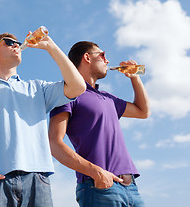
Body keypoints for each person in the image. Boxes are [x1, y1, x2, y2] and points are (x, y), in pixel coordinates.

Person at [0, 32, 86, 207]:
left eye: (17, 42)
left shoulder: (38, 88)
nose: (16, 45)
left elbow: (78, 87)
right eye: (9, 42)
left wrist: (50, 46)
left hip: (37, 180)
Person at [49, 41, 150, 207]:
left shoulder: (108, 97)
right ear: (87, 58)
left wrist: (135, 78)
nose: (107, 60)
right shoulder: (67, 94)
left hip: (131, 188)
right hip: (99, 187)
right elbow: (55, 143)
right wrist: (97, 173)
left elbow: (143, 112)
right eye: (102, 55)